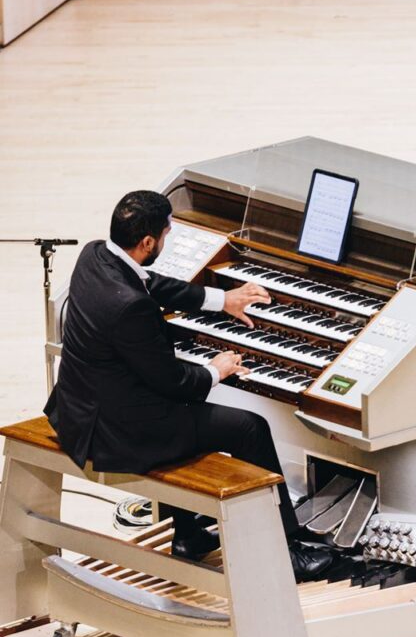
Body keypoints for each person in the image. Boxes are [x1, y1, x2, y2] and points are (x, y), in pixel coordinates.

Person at [44, 189, 335, 579]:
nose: (167, 239)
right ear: (148, 242)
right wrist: (217, 369)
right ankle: (286, 550)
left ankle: (188, 534)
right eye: (166, 233)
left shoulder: (96, 255)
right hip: (116, 433)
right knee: (249, 428)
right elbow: (175, 382)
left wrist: (222, 299)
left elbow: (150, 282)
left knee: (184, 415)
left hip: (80, 407)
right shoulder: (129, 307)